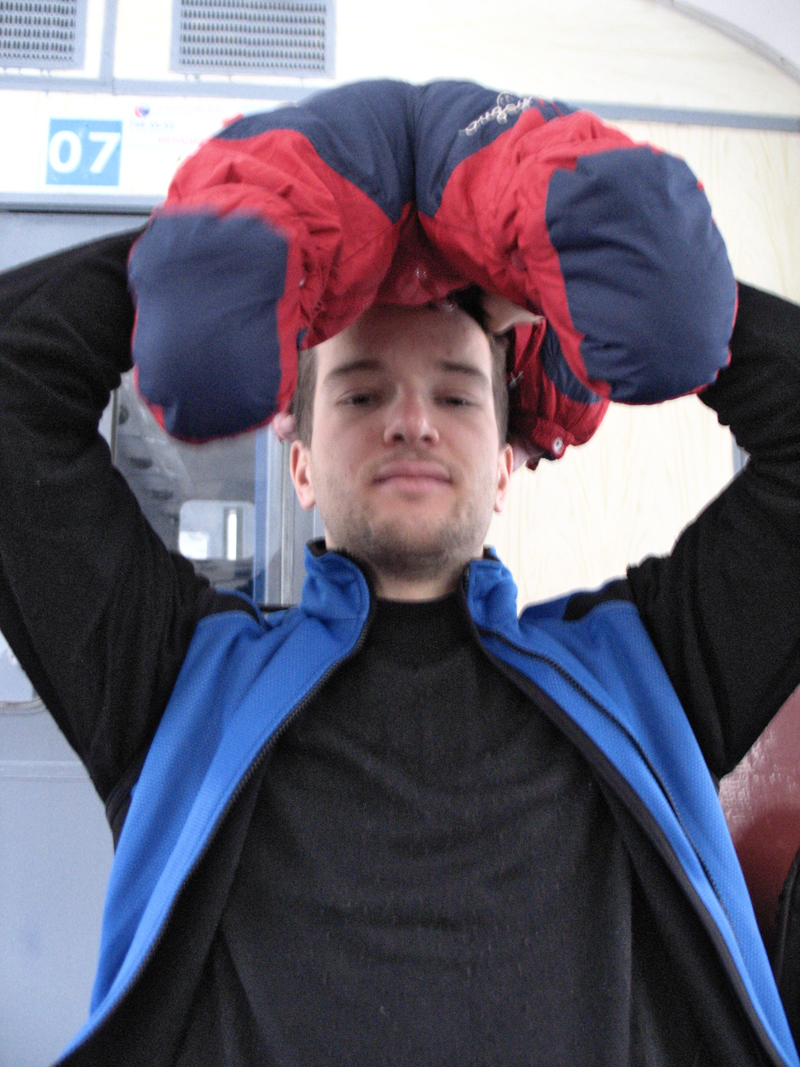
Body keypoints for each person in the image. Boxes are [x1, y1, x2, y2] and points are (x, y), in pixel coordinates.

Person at [0, 79, 798, 1067]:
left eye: (458, 396)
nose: (411, 420)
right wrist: (283, 238)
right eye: (361, 392)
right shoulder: (174, 679)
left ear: (505, 463)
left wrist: (572, 260)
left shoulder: (645, 671)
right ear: (299, 462)